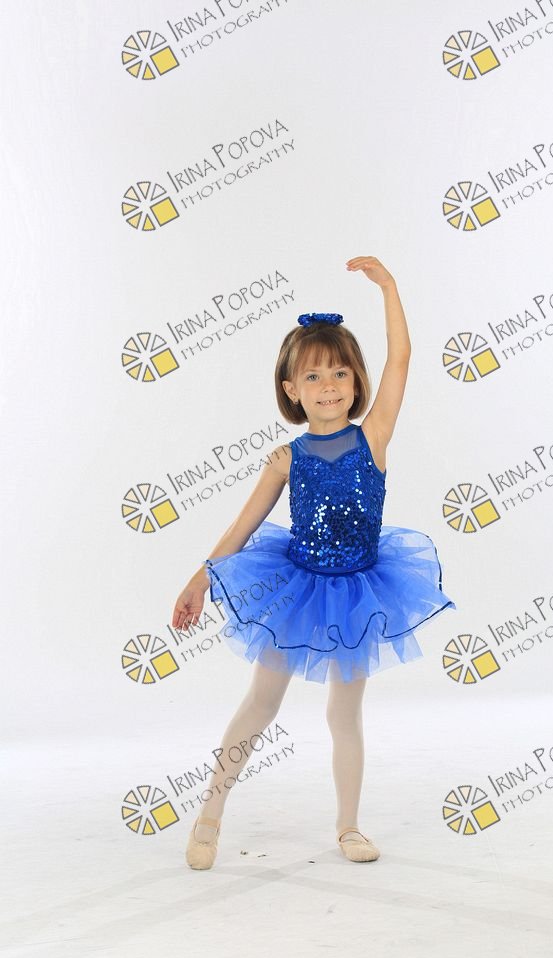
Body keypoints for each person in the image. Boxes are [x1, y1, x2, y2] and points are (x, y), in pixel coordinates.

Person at [172, 256, 456, 870]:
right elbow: (241, 529)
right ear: (291, 390)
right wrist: (199, 580)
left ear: (357, 381)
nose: (329, 385)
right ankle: (209, 816)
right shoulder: (285, 458)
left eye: (340, 372)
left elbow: (402, 360)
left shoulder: (373, 436)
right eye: (313, 375)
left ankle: (349, 826)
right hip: (295, 590)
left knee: (344, 712)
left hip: (358, 591)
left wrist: (389, 288)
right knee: (260, 703)